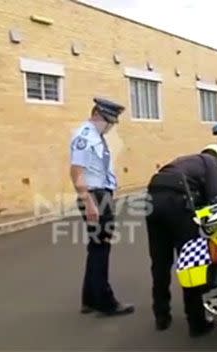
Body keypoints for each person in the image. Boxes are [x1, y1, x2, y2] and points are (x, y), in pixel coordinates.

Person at [144, 144, 217, 336]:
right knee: (190, 262)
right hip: (177, 200)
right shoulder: (211, 163)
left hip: (152, 196)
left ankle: (161, 316)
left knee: (160, 262)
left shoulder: (186, 160)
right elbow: (216, 199)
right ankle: (197, 323)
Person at [69, 97, 134, 316]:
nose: (111, 126)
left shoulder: (96, 135)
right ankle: (105, 302)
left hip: (100, 194)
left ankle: (89, 299)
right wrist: (89, 203)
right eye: (109, 121)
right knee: (101, 249)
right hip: (95, 196)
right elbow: (76, 172)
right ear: (97, 115)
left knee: (96, 247)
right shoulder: (84, 137)